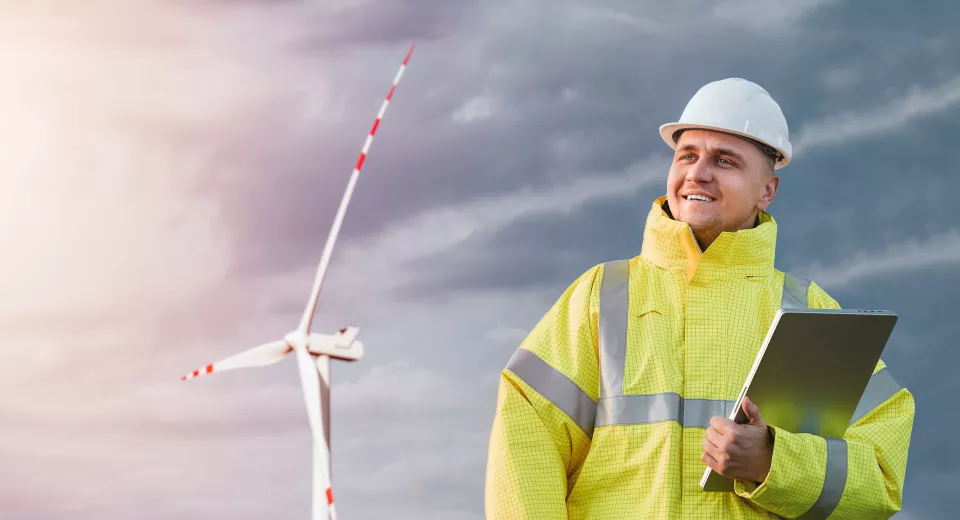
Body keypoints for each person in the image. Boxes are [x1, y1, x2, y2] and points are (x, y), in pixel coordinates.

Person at [484, 78, 915, 519]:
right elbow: (526, 445)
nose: (698, 172)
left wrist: (773, 462)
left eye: (725, 161)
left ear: (767, 191)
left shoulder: (810, 312)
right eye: (687, 155)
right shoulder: (601, 296)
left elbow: (879, 478)